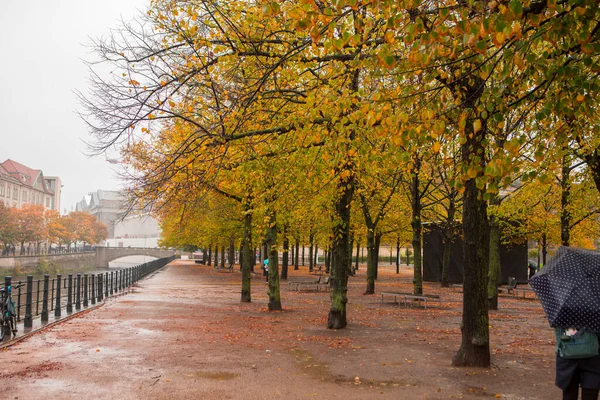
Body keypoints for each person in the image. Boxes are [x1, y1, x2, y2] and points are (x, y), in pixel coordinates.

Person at [554, 327, 600, 400]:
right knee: (590, 393)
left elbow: (556, 328)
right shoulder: (594, 316)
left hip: (567, 353)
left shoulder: (560, 316)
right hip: (593, 353)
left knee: (569, 394)